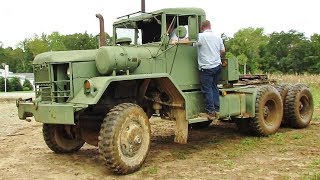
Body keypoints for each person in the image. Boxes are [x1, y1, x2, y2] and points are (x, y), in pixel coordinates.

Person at [196, 20, 225, 120]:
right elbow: (223, 50)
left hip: (207, 67)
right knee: (214, 87)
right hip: (217, 66)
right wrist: (216, 56)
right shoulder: (218, 37)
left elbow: (189, 41)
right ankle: (217, 110)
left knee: (207, 89)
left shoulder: (201, 36)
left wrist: (176, 41)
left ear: (202, 27)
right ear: (210, 26)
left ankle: (210, 113)